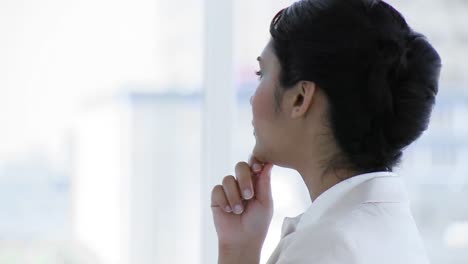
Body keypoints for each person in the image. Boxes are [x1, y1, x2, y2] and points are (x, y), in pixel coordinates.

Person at [210, 0, 441, 263]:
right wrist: (239, 249)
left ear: (300, 98)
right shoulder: (384, 224)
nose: (252, 99)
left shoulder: (325, 248)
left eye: (261, 74)